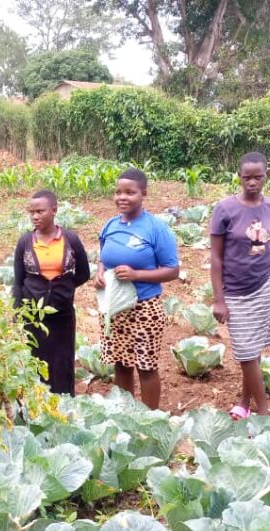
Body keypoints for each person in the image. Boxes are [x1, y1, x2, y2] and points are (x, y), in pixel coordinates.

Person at [95, 168, 179, 409]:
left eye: (130, 192)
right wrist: (100, 273)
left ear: (143, 194)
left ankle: (149, 418)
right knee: (121, 363)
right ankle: (126, 413)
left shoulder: (155, 228)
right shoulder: (110, 225)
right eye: (118, 192)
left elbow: (172, 270)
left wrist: (137, 275)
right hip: (115, 308)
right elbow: (104, 257)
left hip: (144, 309)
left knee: (146, 366)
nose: (122, 197)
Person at [210, 152, 270, 419]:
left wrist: (267, 251)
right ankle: (264, 414)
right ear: (239, 177)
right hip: (235, 291)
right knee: (244, 352)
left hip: (264, 285)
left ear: (267, 175)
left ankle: (245, 402)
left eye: (258, 176)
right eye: (247, 177)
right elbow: (216, 258)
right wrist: (218, 299)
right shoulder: (225, 209)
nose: (252, 182)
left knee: (254, 350)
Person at [12, 190, 91, 395]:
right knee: (36, 357)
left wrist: (62, 289)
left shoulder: (70, 240)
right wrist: (18, 310)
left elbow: (83, 273)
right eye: (31, 212)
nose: (35, 216)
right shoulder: (25, 242)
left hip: (62, 312)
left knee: (63, 359)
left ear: (54, 210)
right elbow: (18, 280)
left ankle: (64, 400)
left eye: (40, 211)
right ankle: (38, 401)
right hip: (33, 314)